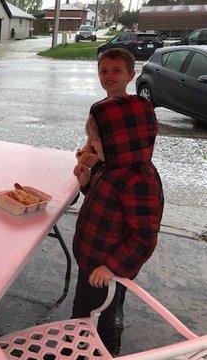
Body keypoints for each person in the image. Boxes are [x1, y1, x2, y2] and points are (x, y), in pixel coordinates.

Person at [72, 96, 164, 356]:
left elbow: (144, 237)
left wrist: (111, 266)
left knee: (102, 322)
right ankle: (78, 347)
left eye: (97, 140)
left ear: (120, 139)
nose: (92, 146)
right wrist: (87, 182)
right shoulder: (112, 165)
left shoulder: (138, 180)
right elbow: (103, 201)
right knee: (82, 315)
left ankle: (105, 352)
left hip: (107, 270)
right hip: (91, 262)